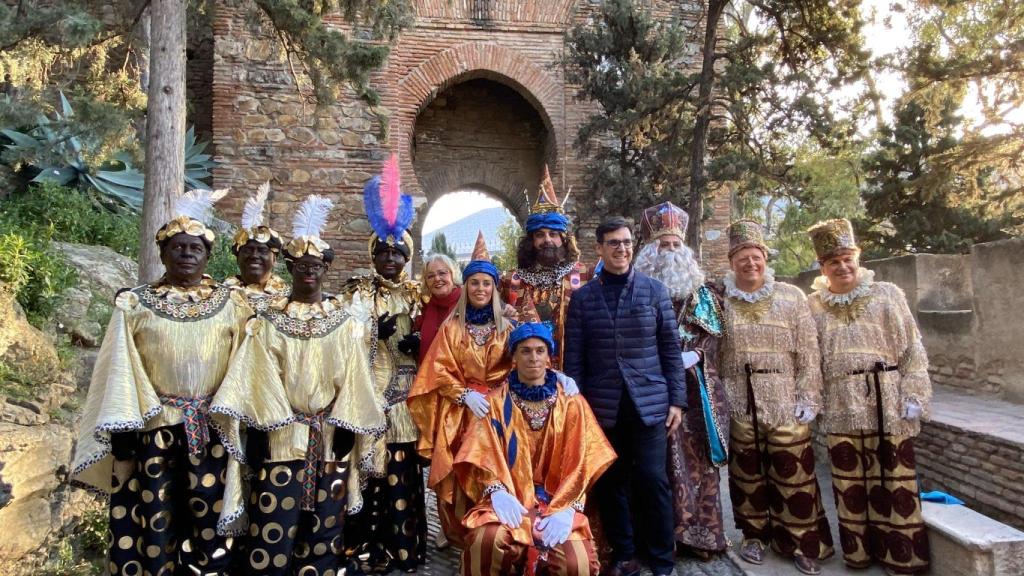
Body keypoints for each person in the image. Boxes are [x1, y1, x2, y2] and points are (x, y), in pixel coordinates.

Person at [70, 188, 248, 575]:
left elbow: (250, 359)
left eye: (195, 248)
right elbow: (119, 364)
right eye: (178, 247)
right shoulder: (134, 304)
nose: (186, 254)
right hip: (155, 425)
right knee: (157, 510)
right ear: (162, 254)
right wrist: (122, 422)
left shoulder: (233, 305)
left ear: (207, 256)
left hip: (212, 427)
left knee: (209, 508)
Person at [210, 194, 386, 576]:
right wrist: (261, 427)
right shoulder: (267, 323)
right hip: (279, 437)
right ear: (289, 268)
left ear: (326, 270)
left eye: (316, 266)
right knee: (273, 527)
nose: (310, 273)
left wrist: (348, 427)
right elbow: (256, 376)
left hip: (330, 436)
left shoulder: (345, 325)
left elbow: (356, 379)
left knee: (326, 528)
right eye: (302, 266)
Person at [806, 219, 931, 575]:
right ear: (823, 267)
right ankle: (859, 555)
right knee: (849, 481)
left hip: (888, 398)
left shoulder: (888, 293)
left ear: (857, 258)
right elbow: (810, 358)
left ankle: (902, 557)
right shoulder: (814, 305)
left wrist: (915, 394)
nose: (842, 267)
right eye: (834, 262)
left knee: (894, 477)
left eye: (847, 258)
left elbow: (912, 349)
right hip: (841, 401)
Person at [563, 216, 687, 576]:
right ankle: (624, 554)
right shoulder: (583, 299)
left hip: (649, 405)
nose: (622, 249)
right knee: (612, 483)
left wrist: (677, 400)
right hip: (603, 407)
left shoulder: (654, 291)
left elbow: (670, 349)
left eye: (627, 242)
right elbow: (575, 359)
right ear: (599, 248)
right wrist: (578, 408)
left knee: (653, 480)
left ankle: (662, 559)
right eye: (614, 243)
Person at [455, 322, 617, 576]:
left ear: (549, 356)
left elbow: (586, 459)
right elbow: (479, 453)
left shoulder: (571, 403)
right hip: (511, 499)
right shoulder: (495, 403)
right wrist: (497, 491)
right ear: (514, 357)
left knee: (576, 564)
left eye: (540, 351)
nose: (533, 358)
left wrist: (569, 505)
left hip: (559, 501)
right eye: (525, 351)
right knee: (486, 541)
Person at [718, 219, 832, 575]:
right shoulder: (720, 300)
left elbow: (809, 351)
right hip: (739, 396)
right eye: (742, 258)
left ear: (765, 259)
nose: (750, 264)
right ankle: (754, 536)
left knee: (793, 471)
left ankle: (802, 541)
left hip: (784, 396)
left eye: (756, 257)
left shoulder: (791, 296)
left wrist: (808, 395)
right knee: (747, 472)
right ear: (732, 261)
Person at [342, 155, 427, 573]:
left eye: (398, 253)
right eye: (384, 253)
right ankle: (363, 549)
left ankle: (404, 549)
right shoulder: (358, 292)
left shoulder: (417, 294)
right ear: (373, 255)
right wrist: (374, 332)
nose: (391, 260)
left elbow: (436, 339)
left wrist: (419, 340)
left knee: (402, 475)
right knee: (368, 474)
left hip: (406, 400)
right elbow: (344, 338)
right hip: (368, 394)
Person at [633, 202, 729, 559]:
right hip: (650, 388)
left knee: (696, 464)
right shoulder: (636, 290)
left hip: (694, 390)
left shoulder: (705, 293)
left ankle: (699, 536)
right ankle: (659, 539)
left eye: (676, 245)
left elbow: (715, 336)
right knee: (653, 466)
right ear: (649, 252)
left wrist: (696, 354)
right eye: (663, 245)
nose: (670, 252)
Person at [407, 232, 515, 548]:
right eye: (474, 283)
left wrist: (498, 399)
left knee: (492, 471)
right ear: (465, 287)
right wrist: (463, 395)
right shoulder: (451, 328)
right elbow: (436, 370)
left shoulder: (507, 329)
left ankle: (490, 535)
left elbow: (518, 370)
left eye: (486, 283)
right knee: (456, 472)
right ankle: (458, 534)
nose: (480, 289)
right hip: (459, 415)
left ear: (494, 288)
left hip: (496, 415)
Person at [500, 165, 589, 369]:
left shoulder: (584, 275)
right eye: (540, 235)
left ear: (563, 239)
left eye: (553, 234)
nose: (547, 240)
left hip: (573, 369)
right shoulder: (510, 281)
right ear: (531, 241)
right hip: (527, 372)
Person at [224, 181, 289, 312]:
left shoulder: (289, 298)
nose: (254, 256)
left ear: (274, 258)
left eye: (262, 251)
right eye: (247, 250)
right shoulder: (222, 296)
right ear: (237, 257)